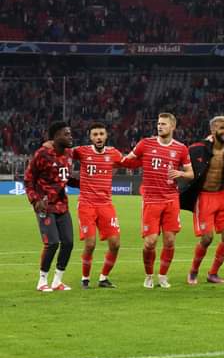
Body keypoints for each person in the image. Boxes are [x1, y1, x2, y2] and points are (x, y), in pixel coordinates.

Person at [122, 113, 194, 289]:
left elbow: (191, 174)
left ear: (172, 127)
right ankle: (148, 275)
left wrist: (181, 174)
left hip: (171, 199)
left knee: (169, 241)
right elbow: (127, 160)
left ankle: (162, 276)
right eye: (158, 124)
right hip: (151, 199)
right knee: (150, 242)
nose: (160, 126)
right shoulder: (145, 144)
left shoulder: (181, 148)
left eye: (163, 124)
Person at [181, 116, 224, 285]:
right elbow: (183, 160)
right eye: (222, 128)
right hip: (205, 197)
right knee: (207, 238)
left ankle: (213, 273)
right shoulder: (198, 149)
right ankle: (193, 271)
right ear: (213, 129)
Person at [24, 121, 79, 292]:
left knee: (68, 243)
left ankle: (57, 281)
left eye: (70, 133)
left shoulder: (69, 154)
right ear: (55, 137)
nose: (70, 137)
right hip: (45, 206)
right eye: (66, 134)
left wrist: (82, 183)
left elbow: (65, 177)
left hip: (62, 205)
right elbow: (29, 179)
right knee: (52, 243)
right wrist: (34, 200)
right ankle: (42, 281)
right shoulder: (42, 154)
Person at [72, 123, 124, 289]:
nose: (98, 137)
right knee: (90, 244)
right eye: (95, 134)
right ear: (90, 137)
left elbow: (128, 162)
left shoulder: (114, 153)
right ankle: (85, 279)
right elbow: (62, 155)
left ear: (106, 135)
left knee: (115, 244)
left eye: (101, 134)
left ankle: (103, 278)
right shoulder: (81, 151)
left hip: (106, 205)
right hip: (86, 204)